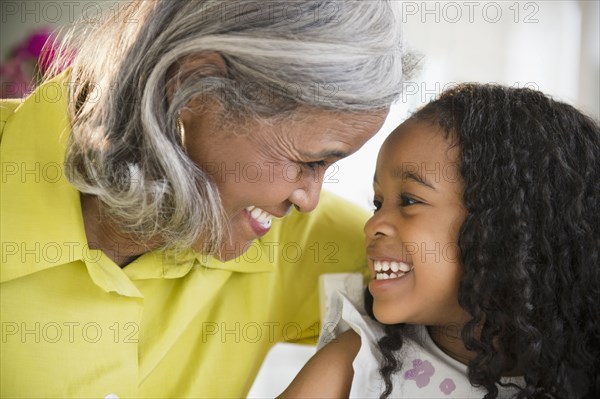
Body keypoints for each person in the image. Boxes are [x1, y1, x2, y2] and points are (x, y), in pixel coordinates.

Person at [0, 1, 418, 397]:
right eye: (309, 160)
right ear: (193, 87)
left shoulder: (316, 240)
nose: (309, 198)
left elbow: (465, 292)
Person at [279, 84, 600, 398]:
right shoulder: (355, 363)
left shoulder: (581, 378)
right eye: (378, 203)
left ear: (506, 232)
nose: (373, 225)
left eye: (408, 201)